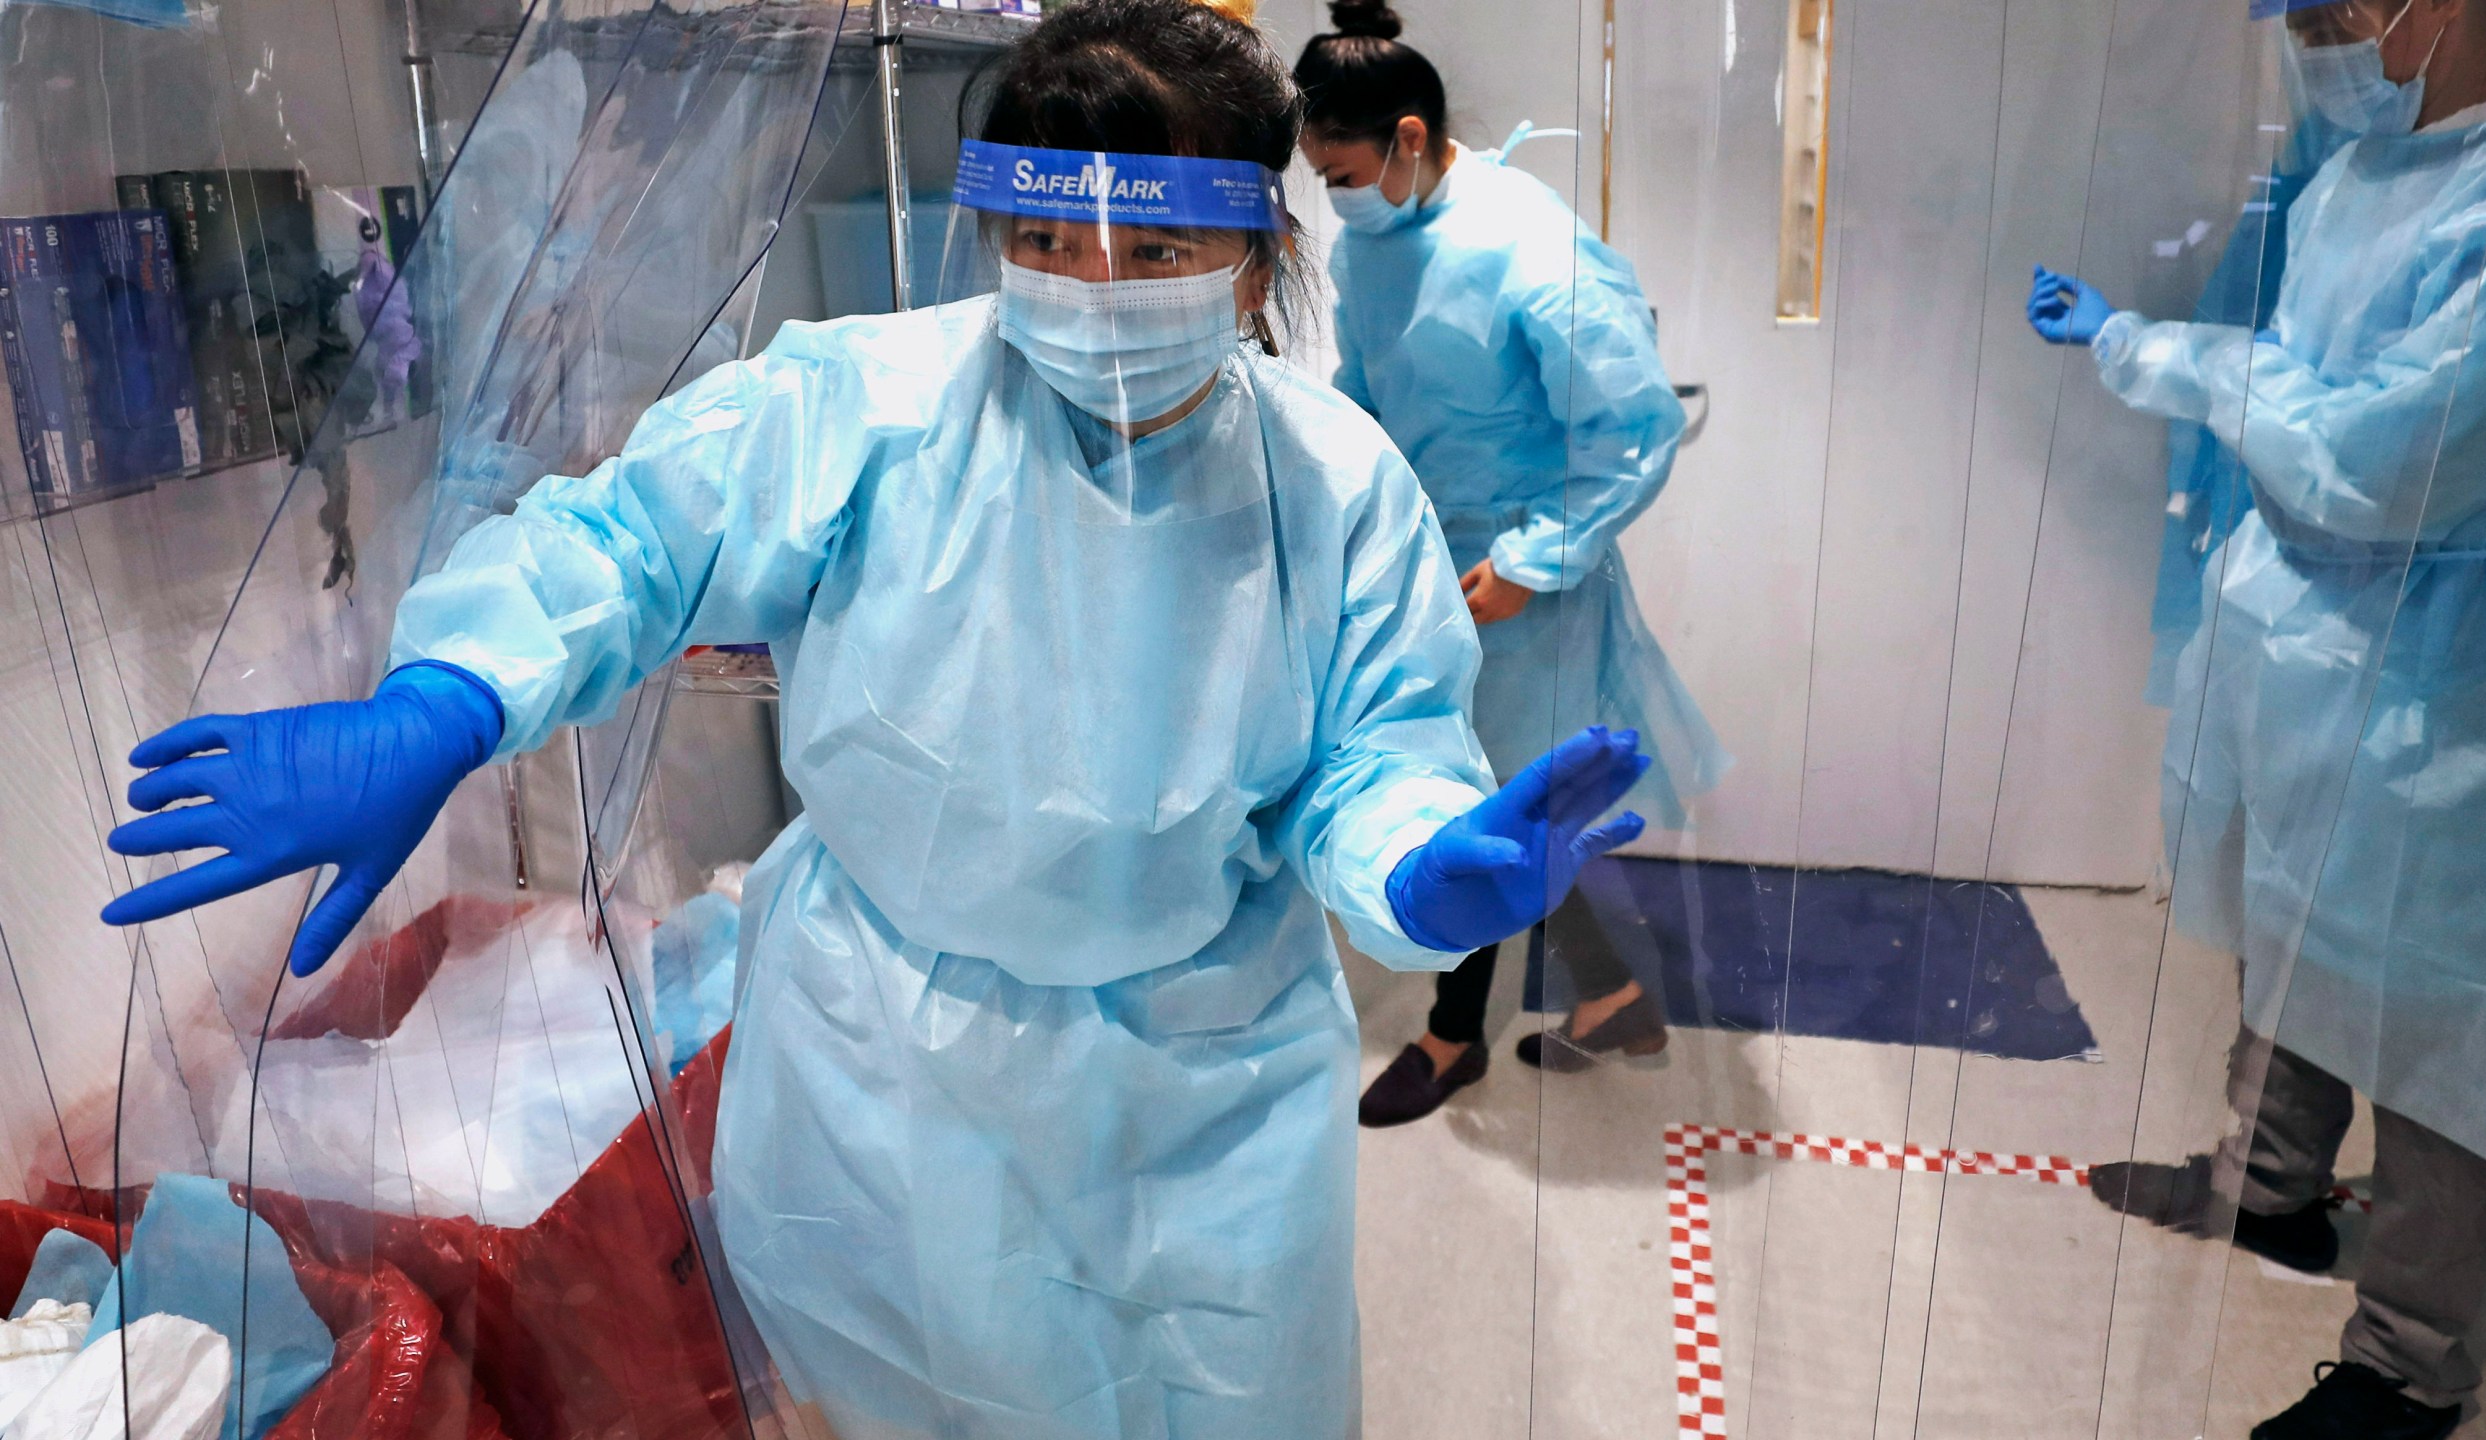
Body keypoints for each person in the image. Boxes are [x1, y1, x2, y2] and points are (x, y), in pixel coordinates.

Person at [93, 3, 1659, 1436]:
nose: (1096, 292)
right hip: (886, 1067)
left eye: (1156, 256)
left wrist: (1413, 866)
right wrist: (443, 701)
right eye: (1045, 242)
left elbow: (1365, 756)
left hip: (1201, 1099)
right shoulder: (861, 408)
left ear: (1255, 257)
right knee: (899, 1396)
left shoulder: (1332, 485)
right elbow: (632, 547)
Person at [2031, 2, 2486, 1435]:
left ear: (2435, 5)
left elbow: (2386, 461)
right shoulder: (2355, 175)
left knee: (2441, 1007)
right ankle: (2269, 1189)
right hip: (2304, 638)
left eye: (2330, 10)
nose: (2314, 41)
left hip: (2447, 676)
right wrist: (2179, 361)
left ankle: (2407, 1359)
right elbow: (2311, 405)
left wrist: (2164, 353)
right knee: (2296, 921)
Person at [1294, 0, 1731, 1128]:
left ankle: (1452, 1037)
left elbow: (1633, 429)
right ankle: (1616, 995)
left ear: (1405, 136)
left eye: (1341, 173)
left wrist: (1536, 563)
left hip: (1526, 581)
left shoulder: (1526, 247)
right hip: (1436, 562)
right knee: (1495, 802)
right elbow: (1367, 383)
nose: (1332, 197)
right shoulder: (1373, 240)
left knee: (1488, 801)